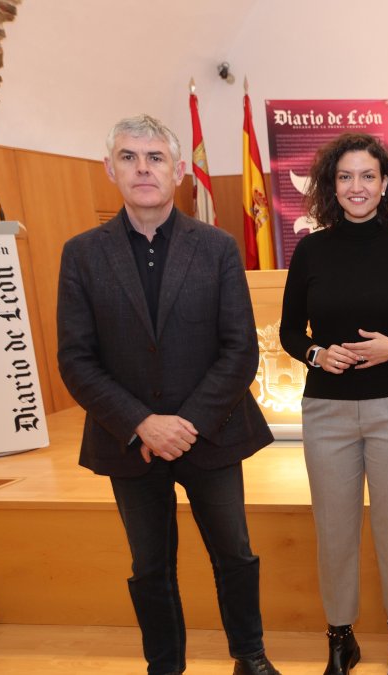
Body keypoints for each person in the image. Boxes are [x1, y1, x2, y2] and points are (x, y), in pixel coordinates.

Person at [56, 114, 279, 675]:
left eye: (155, 158)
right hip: (128, 440)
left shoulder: (218, 248)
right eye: (129, 157)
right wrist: (143, 423)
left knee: (235, 554)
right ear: (111, 169)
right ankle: (165, 666)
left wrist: (186, 424)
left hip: (212, 431)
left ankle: (250, 657)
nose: (143, 168)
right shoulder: (82, 254)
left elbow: (239, 351)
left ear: (178, 171)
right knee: (150, 565)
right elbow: (76, 360)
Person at [279, 133, 388, 675]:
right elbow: (288, 332)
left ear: (384, 184)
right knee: (334, 529)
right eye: (346, 176)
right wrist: (314, 353)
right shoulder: (310, 250)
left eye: (368, 176)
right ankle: (340, 639)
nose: (357, 187)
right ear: (332, 185)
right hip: (327, 409)